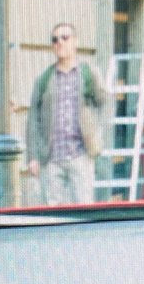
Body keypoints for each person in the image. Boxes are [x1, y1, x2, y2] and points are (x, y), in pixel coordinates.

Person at [26, 23, 107, 205]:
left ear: (75, 42)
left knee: (83, 210)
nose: (59, 42)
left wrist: (96, 135)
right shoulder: (44, 79)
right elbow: (33, 119)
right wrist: (33, 157)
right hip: (51, 159)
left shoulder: (88, 73)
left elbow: (104, 103)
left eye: (65, 37)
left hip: (80, 155)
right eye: (55, 39)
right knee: (53, 213)